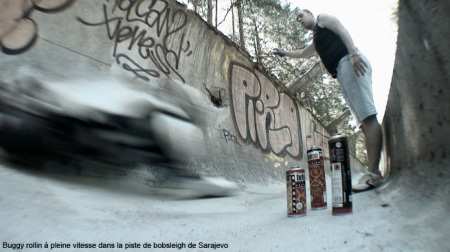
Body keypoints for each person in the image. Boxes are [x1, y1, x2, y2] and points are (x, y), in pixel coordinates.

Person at [273, 9, 383, 192]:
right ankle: (374, 172)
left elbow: (342, 30)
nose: (299, 19)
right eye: (297, 19)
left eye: (301, 15)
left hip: (350, 62)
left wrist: (354, 53)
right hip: (342, 72)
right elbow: (302, 53)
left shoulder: (322, 20)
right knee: (363, 124)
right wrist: (284, 53)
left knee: (369, 118)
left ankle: (373, 174)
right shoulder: (317, 38)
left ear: (309, 13)